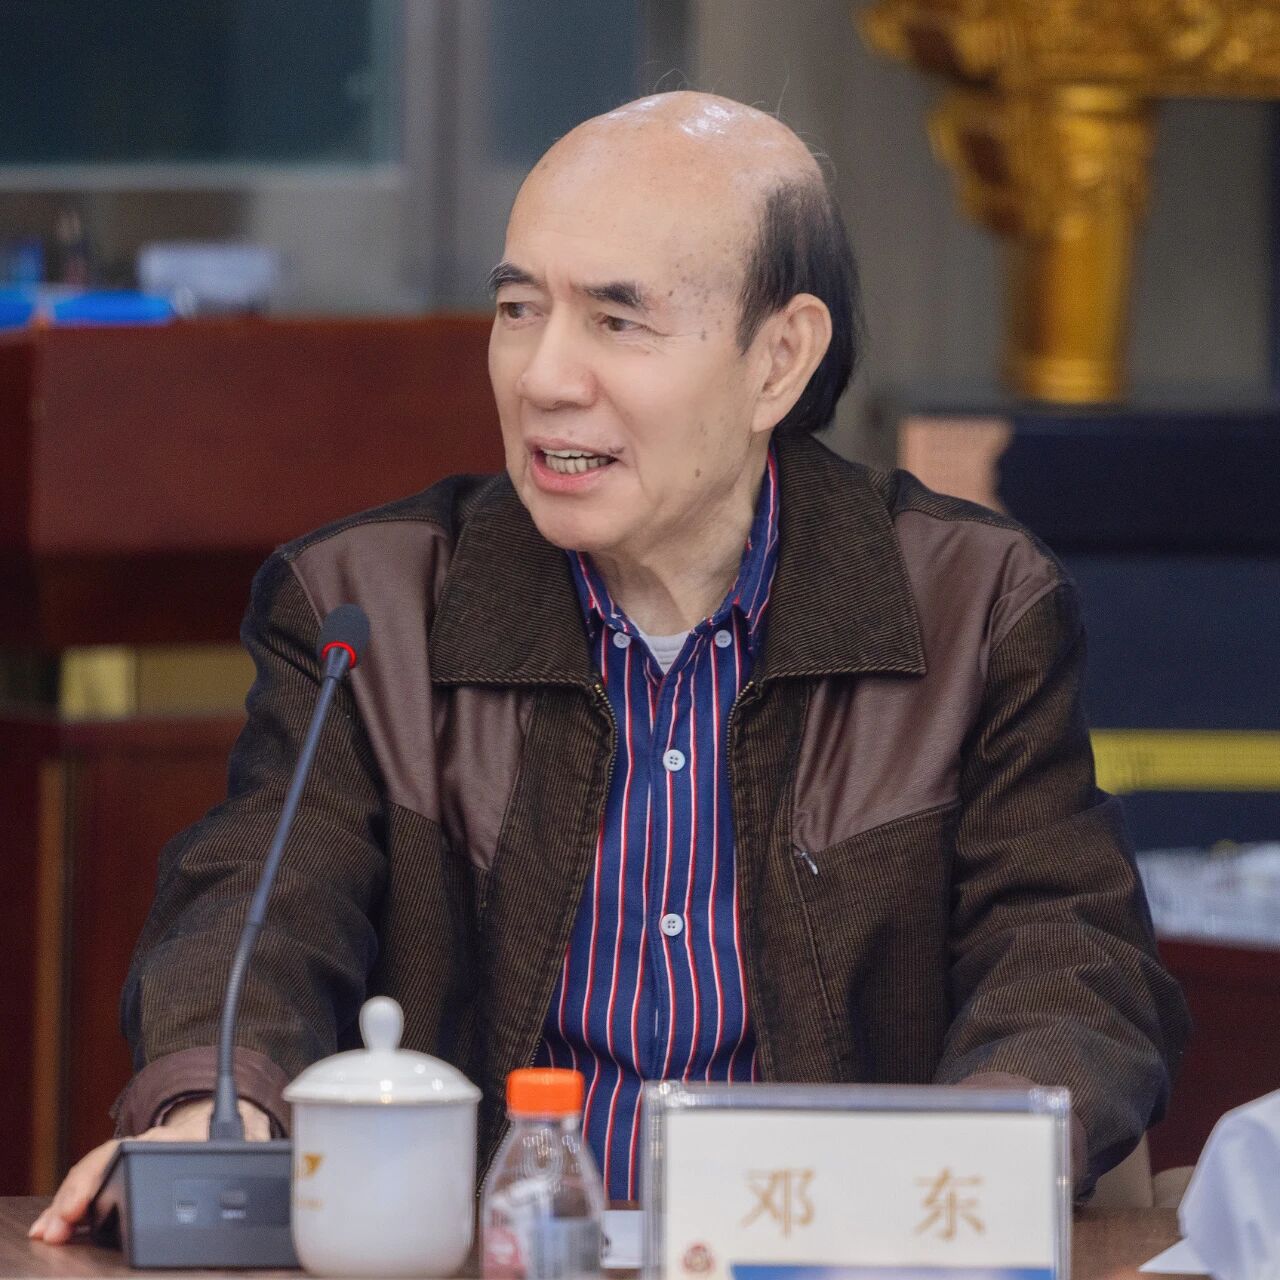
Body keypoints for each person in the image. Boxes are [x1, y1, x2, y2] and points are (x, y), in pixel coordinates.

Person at [31, 91, 1188, 1242]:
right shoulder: (365, 610)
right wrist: (215, 1102)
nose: (543, 376)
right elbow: (258, 902)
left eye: (615, 320)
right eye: (517, 308)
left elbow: (1068, 955)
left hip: (827, 1256)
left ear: (778, 359)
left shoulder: (969, 606)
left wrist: (944, 1182)